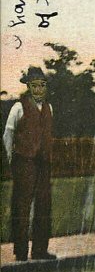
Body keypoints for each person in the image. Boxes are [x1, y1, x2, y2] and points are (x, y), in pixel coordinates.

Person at [3, 66, 56, 261]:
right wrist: (11, 160)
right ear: (28, 87)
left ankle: (40, 250)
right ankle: (21, 251)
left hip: (43, 163)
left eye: (42, 85)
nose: (39, 90)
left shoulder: (49, 108)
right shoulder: (18, 107)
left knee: (44, 205)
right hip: (24, 162)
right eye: (35, 86)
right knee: (22, 206)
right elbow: (8, 135)